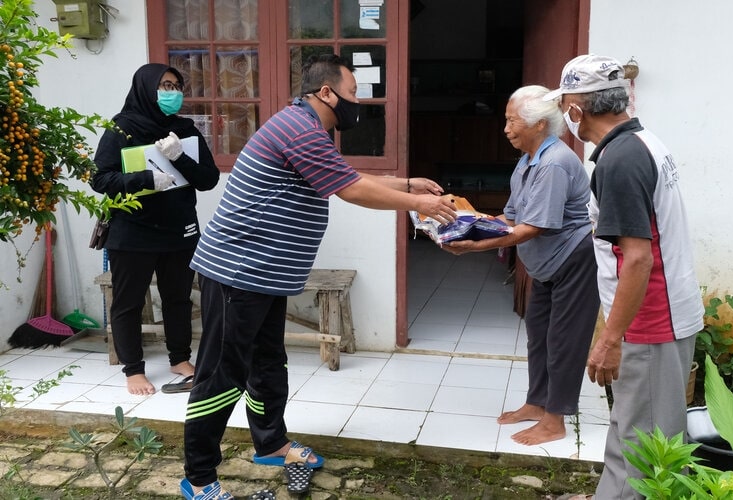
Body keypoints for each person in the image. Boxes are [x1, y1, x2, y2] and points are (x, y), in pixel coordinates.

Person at [180, 54, 457, 500]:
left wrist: (407, 184)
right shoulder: (297, 128)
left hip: (266, 274)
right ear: (326, 92)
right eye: (351, 93)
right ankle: (199, 478)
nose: (356, 103)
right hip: (239, 271)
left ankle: (270, 443)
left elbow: (343, 174)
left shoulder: (309, 130)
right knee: (221, 373)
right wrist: (417, 206)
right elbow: (349, 189)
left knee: (268, 362)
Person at [544, 54, 704, 499]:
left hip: (651, 321)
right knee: (636, 427)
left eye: (566, 106)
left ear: (579, 109)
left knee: (642, 445)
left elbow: (637, 259)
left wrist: (611, 338)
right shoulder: (645, 143)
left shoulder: (617, 162)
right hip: (664, 314)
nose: (565, 115)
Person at [441, 85, 600, 446]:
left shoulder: (554, 164)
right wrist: (464, 223)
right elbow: (510, 217)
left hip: (574, 260)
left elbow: (534, 227)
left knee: (563, 341)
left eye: (513, 121)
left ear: (539, 124)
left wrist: (477, 246)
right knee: (538, 335)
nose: (506, 128)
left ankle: (555, 420)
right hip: (545, 264)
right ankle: (536, 403)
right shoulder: (528, 162)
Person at [92, 63, 220, 396]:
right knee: (128, 302)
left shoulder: (186, 129)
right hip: (132, 231)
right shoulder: (121, 129)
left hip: (179, 229)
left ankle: (180, 359)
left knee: (178, 299)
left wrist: (180, 157)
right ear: (147, 88)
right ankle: (133, 369)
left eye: (177, 86)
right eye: (165, 85)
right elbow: (100, 179)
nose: (172, 92)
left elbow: (208, 179)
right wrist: (145, 180)